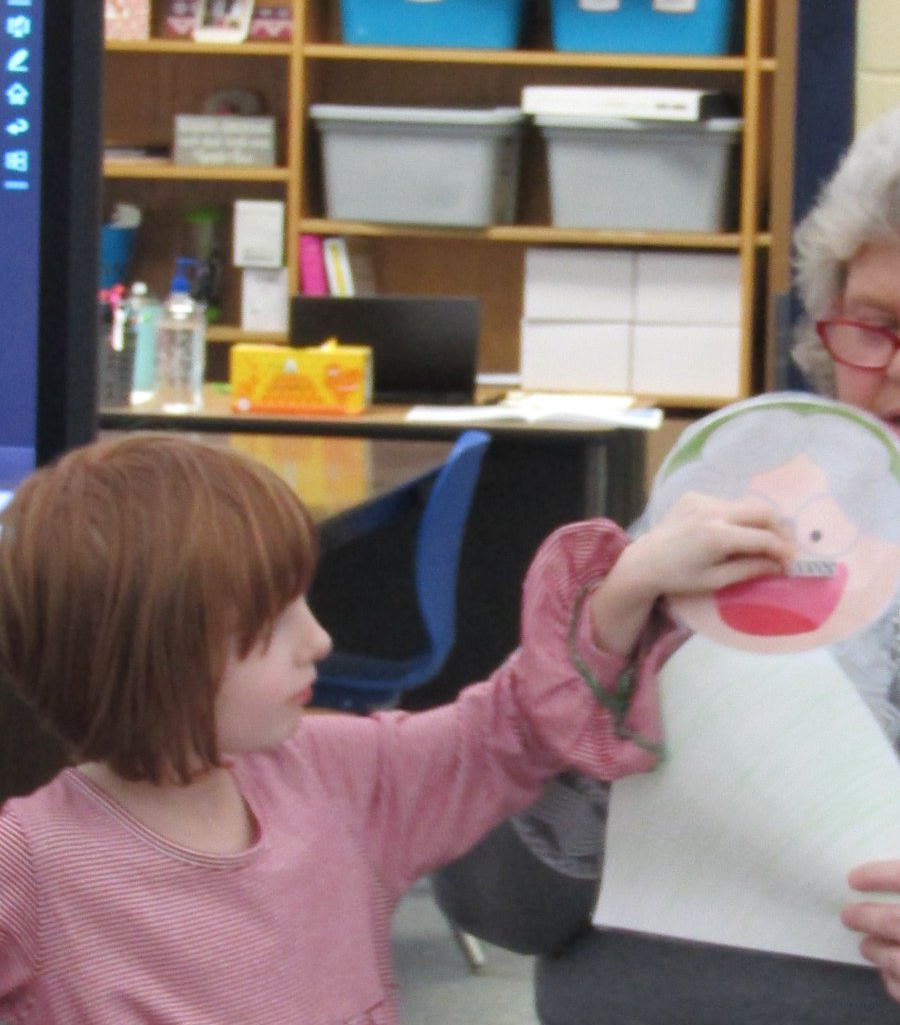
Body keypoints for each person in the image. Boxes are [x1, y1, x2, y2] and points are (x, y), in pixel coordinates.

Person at [0, 429, 773, 1025]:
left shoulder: (338, 778)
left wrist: (627, 586)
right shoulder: (29, 868)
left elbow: (507, 731)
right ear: (153, 657)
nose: (319, 640)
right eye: (270, 625)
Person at [433, 103, 900, 1024]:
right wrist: (601, 647)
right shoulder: (738, 507)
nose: (892, 370)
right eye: (873, 325)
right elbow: (499, 903)